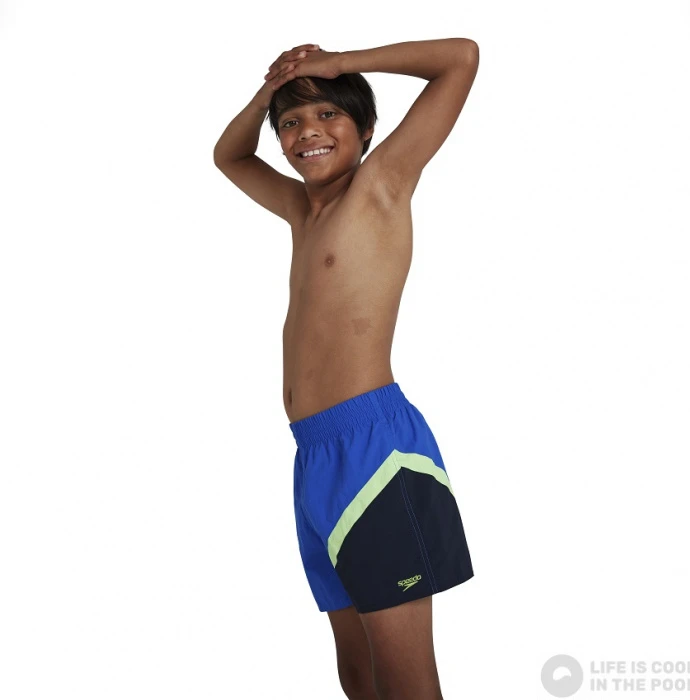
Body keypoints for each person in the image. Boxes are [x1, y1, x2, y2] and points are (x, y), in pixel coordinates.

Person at [214, 38, 480, 700]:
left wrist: (336, 64)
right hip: (314, 457)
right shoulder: (301, 211)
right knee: (357, 673)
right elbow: (228, 155)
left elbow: (461, 58)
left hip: (375, 452)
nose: (308, 131)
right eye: (291, 123)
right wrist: (270, 91)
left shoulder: (381, 185)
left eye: (328, 114)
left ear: (366, 130)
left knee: (405, 677)